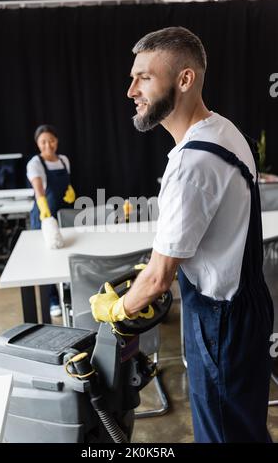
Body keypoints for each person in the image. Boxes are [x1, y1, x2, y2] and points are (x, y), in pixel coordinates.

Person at [89, 27, 274, 442]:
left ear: (184, 80)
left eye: (144, 77)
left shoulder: (191, 164)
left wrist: (117, 311)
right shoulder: (225, 130)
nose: (131, 90)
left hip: (219, 323)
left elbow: (158, 279)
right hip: (246, 309)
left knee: (223, 434)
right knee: (243, 429)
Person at [27, 124, 76, 317]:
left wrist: (70, 190)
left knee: (67, 256)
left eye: (52, 140)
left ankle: (68, 295)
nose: (48, 145)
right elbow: (39, 190)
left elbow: (67, 182)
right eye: (43, 142)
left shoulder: (64, 160)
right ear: (38, 144)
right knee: (48, 259)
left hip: (65, 213)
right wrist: (45, 212)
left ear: (57, 141)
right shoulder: (34, 163)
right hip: (44, 215)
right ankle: (52, 300)